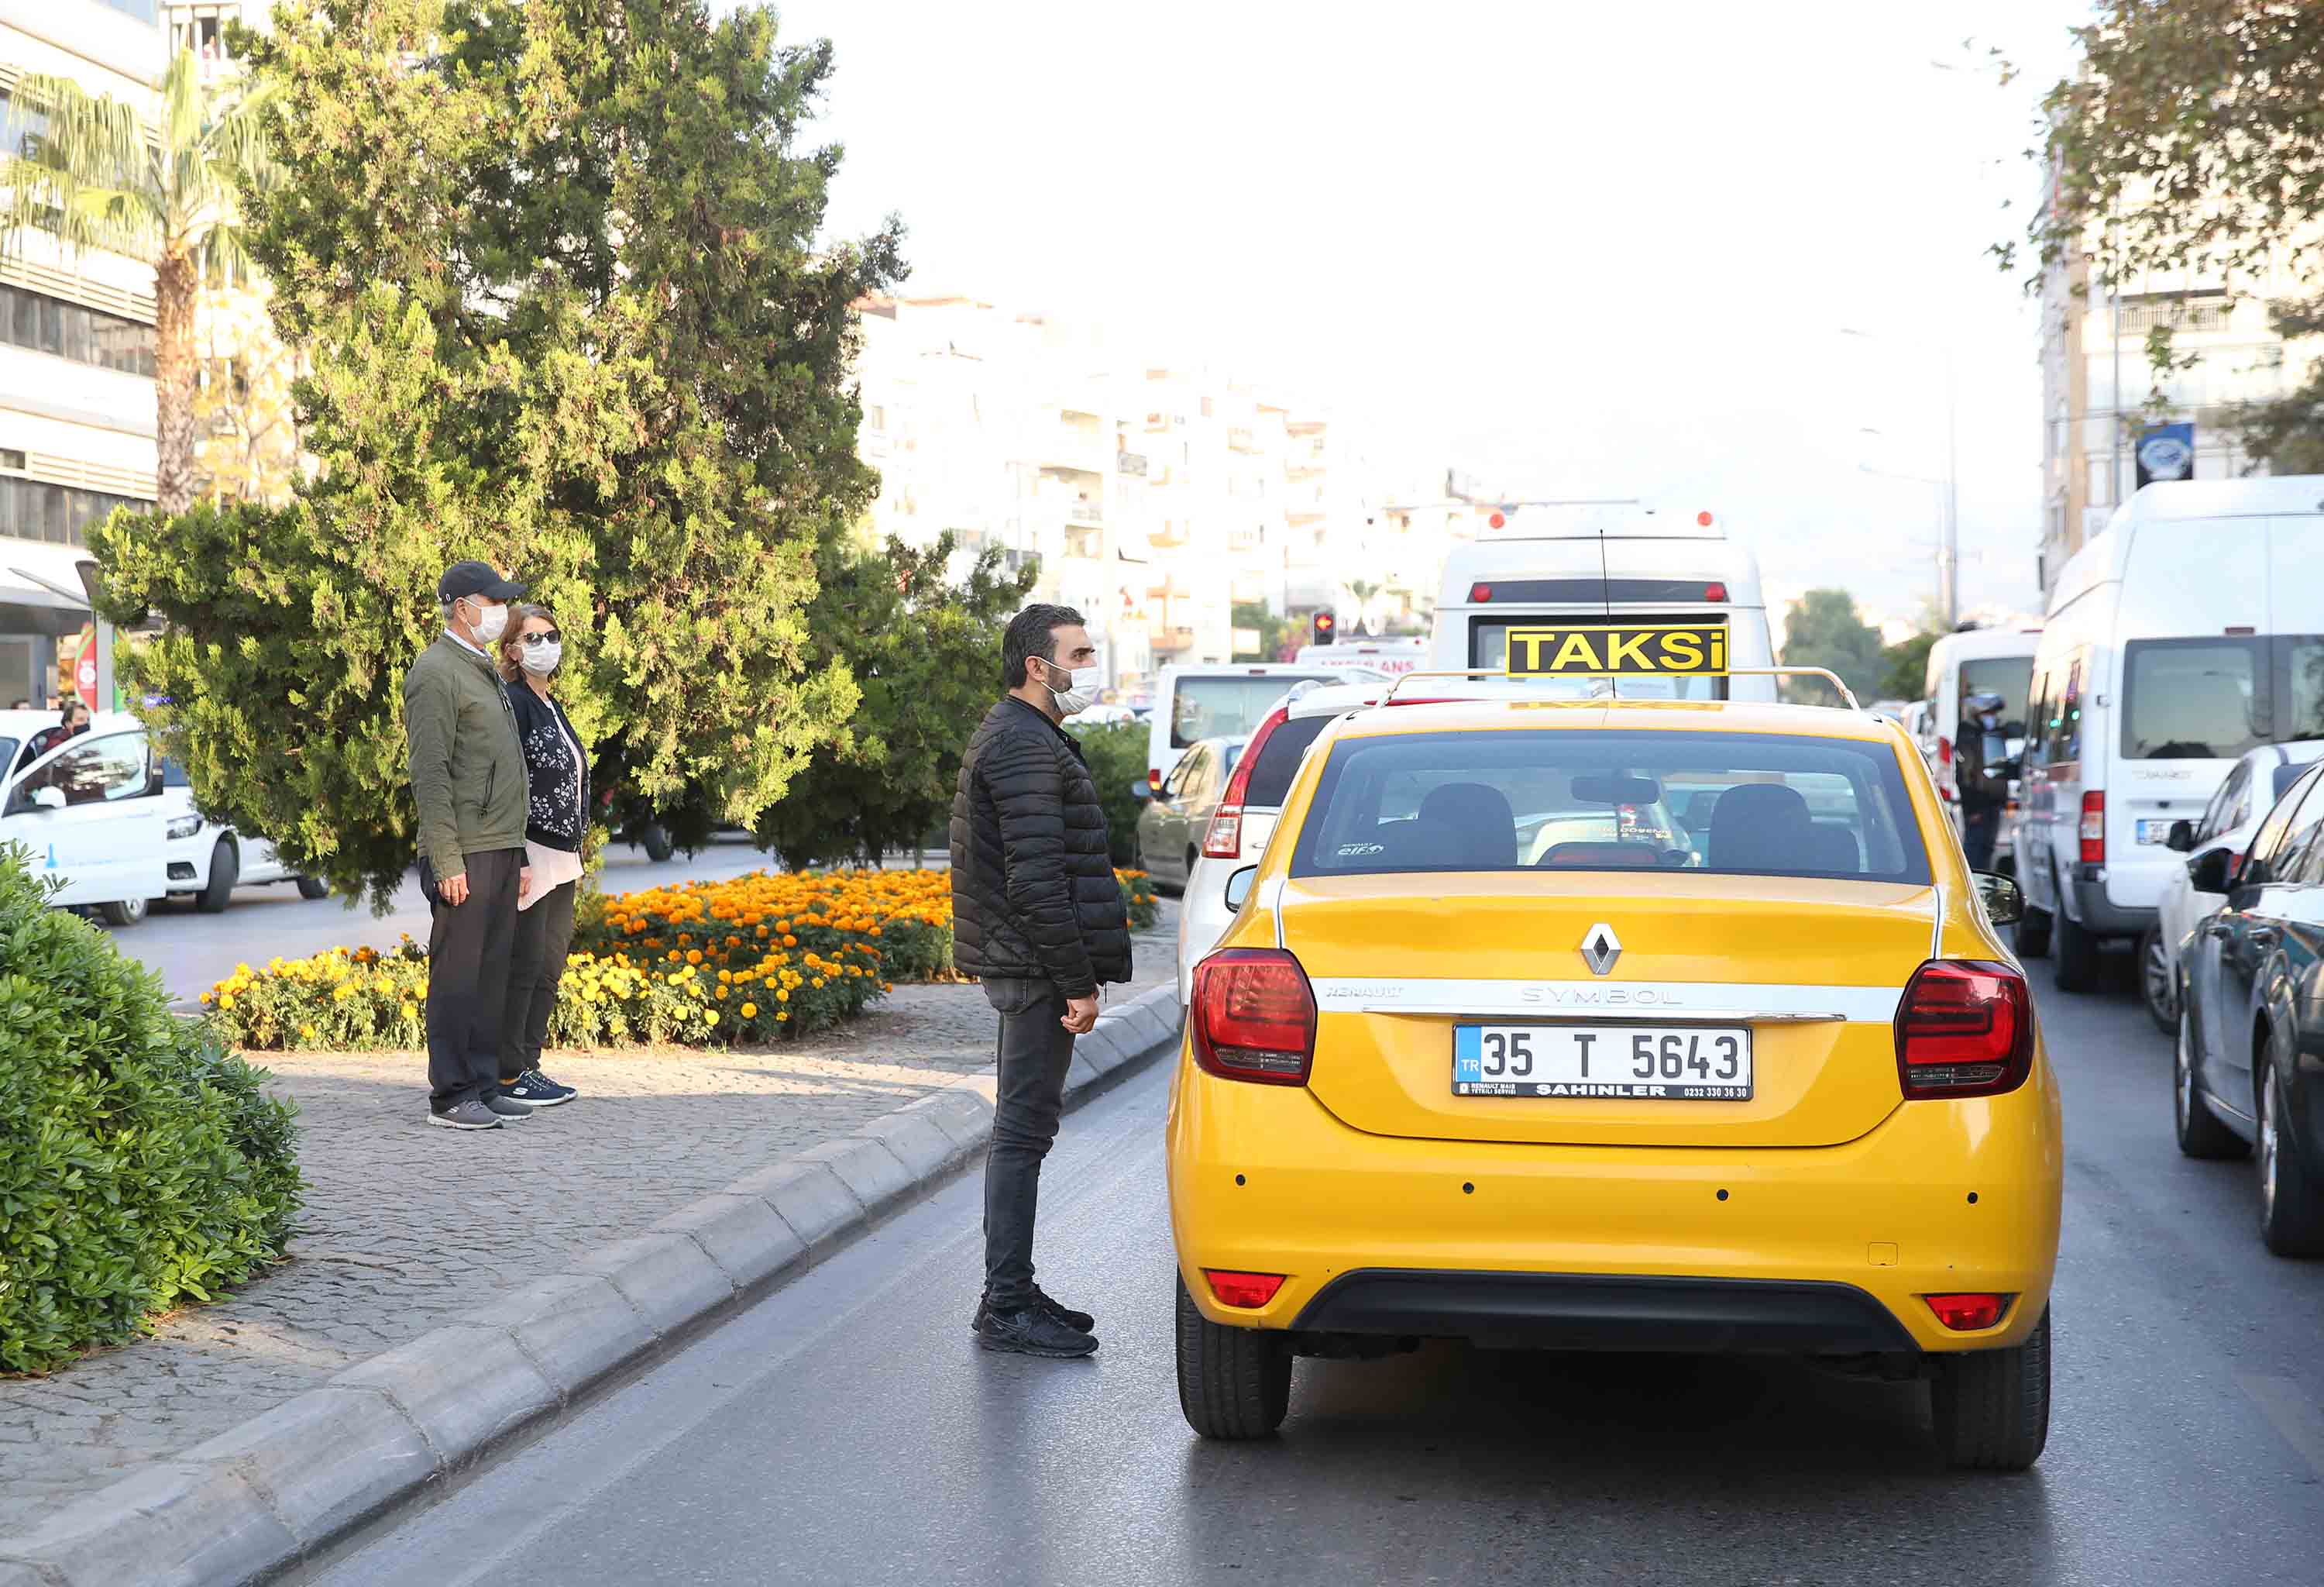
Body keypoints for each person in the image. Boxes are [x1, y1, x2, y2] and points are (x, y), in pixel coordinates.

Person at [949, 604, 1133, 1359]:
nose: (1090, 664)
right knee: (1022, 1135)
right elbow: (1036, 883)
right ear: (1038, 664)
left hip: (1027, 961)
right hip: (1032, 966)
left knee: (1024, 1132)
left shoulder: (1030, 735)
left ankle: (1012, 1288)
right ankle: (1007, 1300)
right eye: (1080, 652)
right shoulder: (1023, 746)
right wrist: (1076, 982)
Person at [404, 561, 535, 1131]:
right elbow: (430, 774)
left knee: (491, 973)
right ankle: (451, 1093)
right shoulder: (436, 672)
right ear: (463, 607)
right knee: (458, 976)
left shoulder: (479, 669)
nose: (502, 611)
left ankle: (484, 1083)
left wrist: (520, 852)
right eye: (494, 601)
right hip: (465, 847)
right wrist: (445, 858)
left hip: (501, 844)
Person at [495, 604, 584, 1108]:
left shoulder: (549, 702)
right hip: (532, 848)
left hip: (563, 851)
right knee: (525, 965)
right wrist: (519, 858)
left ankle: (530, 1065)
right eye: (532, 639)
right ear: (511, 651)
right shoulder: (515, 703)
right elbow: (510, 781)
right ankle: (509, 1074)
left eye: (550, 635)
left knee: (549, 965)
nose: (545, 645)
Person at [1955, 689, 2007, 873]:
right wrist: (1972, 809)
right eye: (1988, 713)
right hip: (1978, 806)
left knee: (1987, 849)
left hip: (1993, 803)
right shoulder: (1968, 738)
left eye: (1993, 714)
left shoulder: (1991, 736)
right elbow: (1965, 776)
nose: (1992, 717)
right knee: (1975, 849)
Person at [18, 699, 89, 774]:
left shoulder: (82, 740)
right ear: (68, 724)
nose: (86, 723)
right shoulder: (58, 744)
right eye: (81, 720)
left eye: (87, 720)